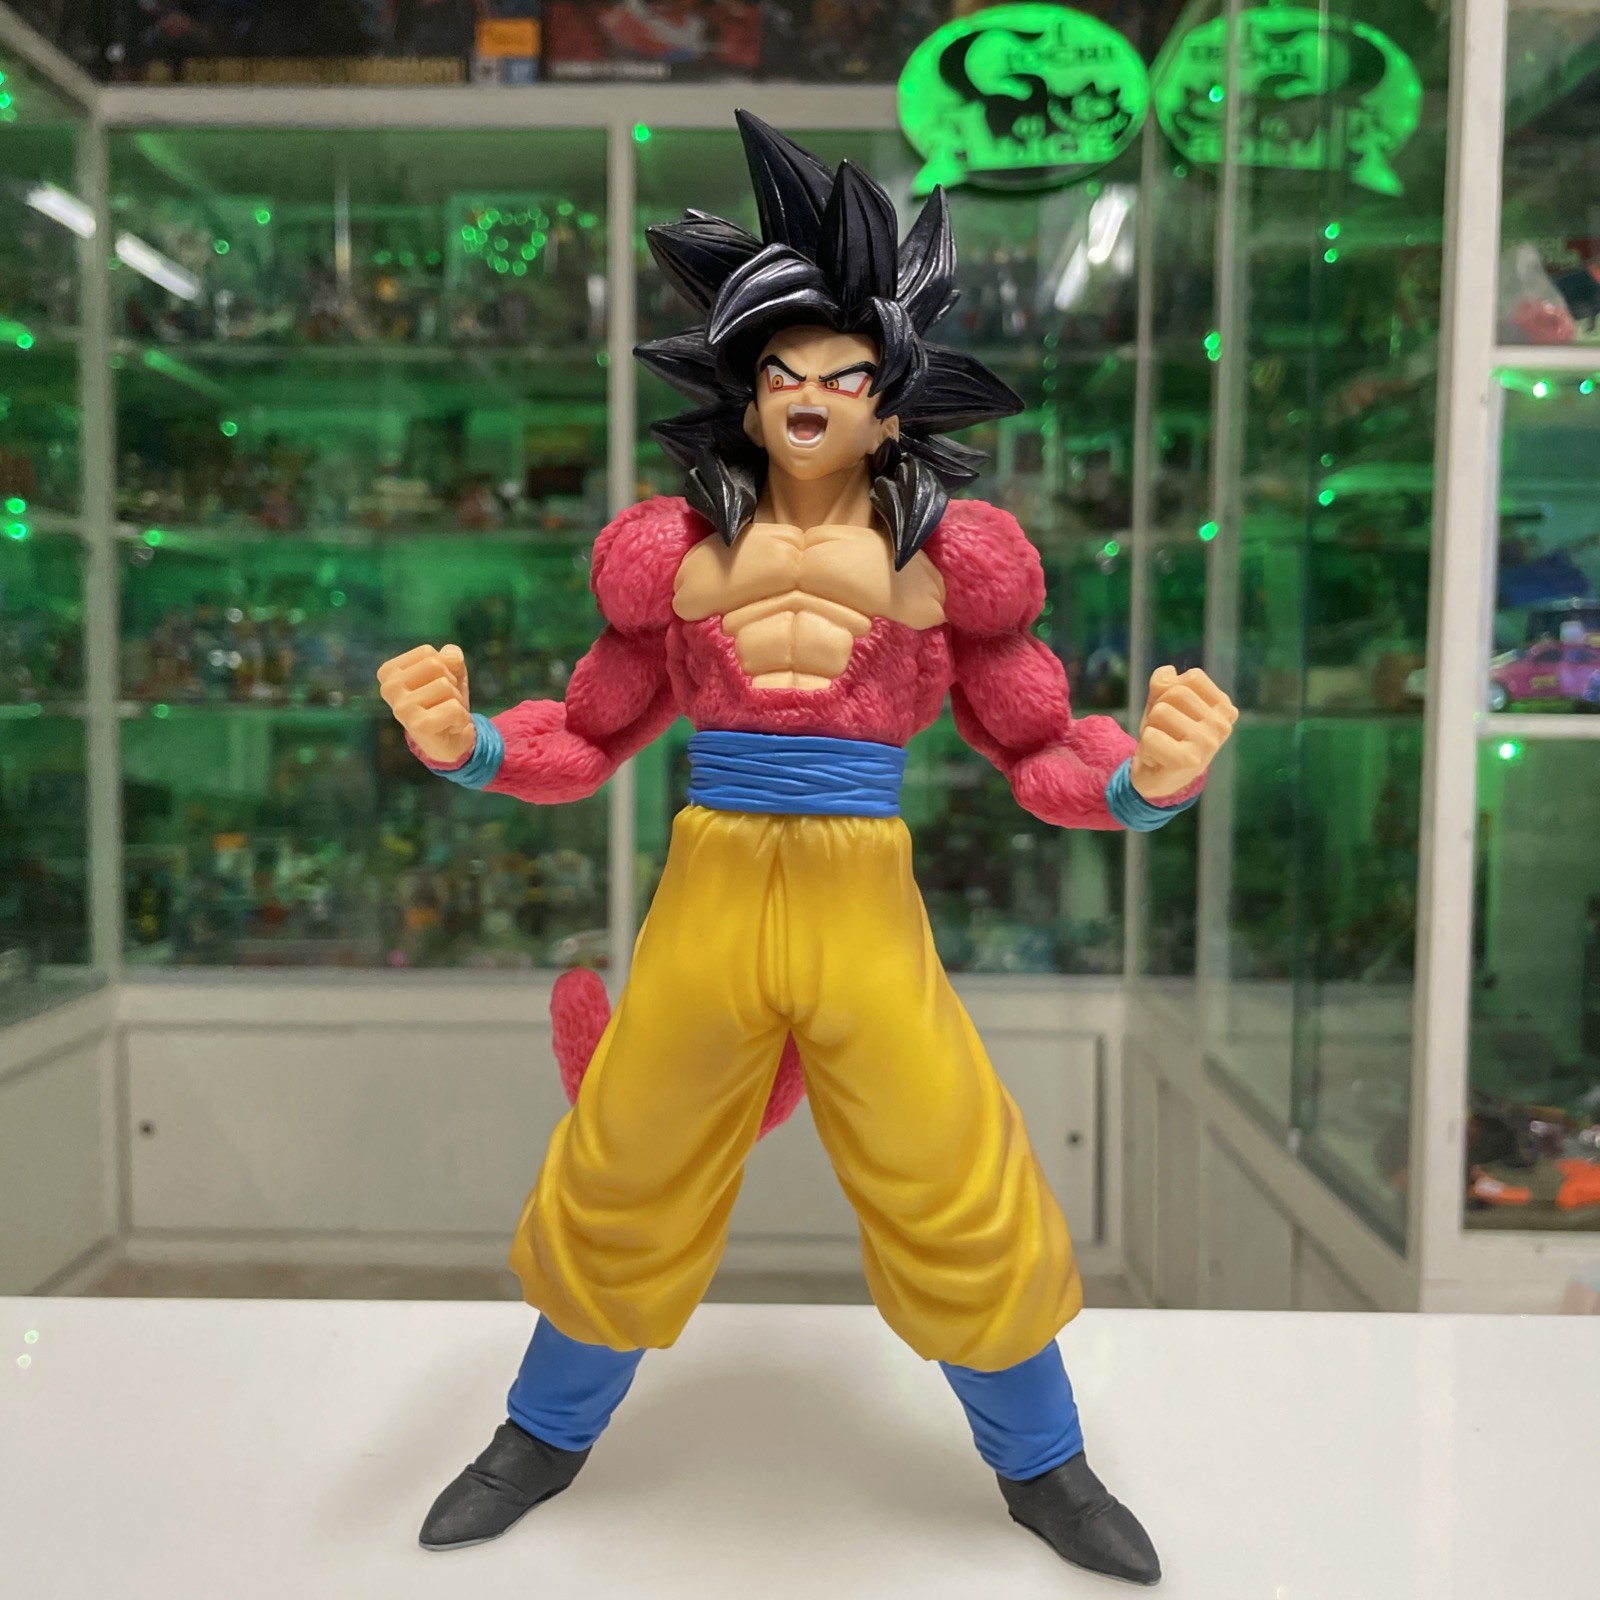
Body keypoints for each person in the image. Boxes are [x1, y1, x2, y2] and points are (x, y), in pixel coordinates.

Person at [377, 112, 1236, 1586]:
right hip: (712, 886)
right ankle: (539, 1434)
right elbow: (587, 733)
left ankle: (1044, 1463)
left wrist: (1145, 783)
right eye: (785, 371)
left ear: (893, 403)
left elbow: (1037, 748)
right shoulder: (673, 556)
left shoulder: (949, 565)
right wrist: (472, 746)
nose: (813, 398)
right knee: (627, 1163)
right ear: (744, 387)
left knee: (948, 1166)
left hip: (858, 895)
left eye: (846, 375)